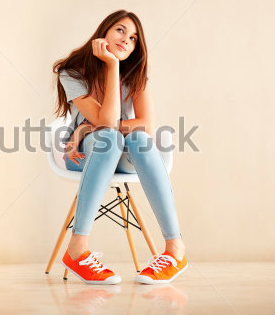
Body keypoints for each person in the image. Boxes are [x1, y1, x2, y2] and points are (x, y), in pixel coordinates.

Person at [52, 9, 188, 285]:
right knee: (108, 139)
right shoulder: (73, 73)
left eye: (134, 38)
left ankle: (175, 249)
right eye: (121, 30)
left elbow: (146, 125)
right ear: (104, 31)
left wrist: (84, 127)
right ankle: (77, 248)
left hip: (125, 152)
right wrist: (111, 66)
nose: (127, 40)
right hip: (84, 154)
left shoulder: (136, 75)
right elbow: (107, 121)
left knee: (137, 138)